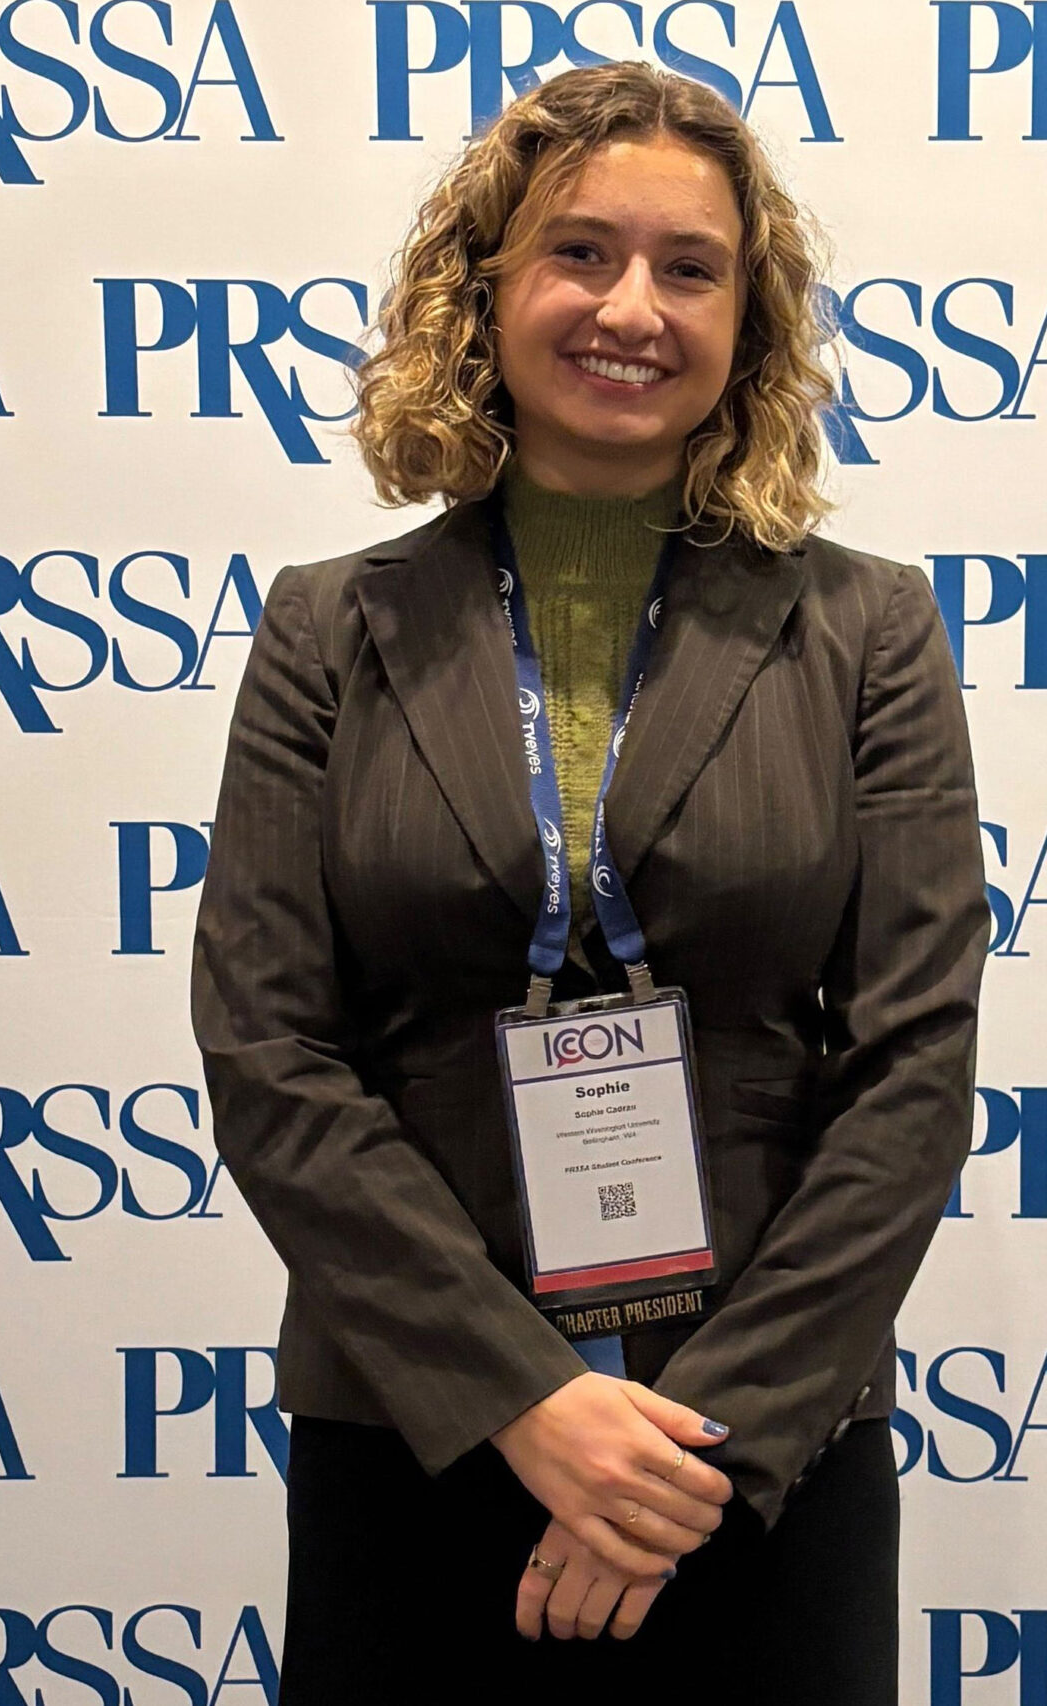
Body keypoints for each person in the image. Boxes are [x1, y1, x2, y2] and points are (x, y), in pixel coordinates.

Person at [190, 60, 989, 1706]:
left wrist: (696, 1450)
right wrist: (529, 1404)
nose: (634, 305)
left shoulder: (869, 633)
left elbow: (913, 1073)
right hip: (417, 1419)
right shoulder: (328, 631)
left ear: (747, 325)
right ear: (483, 290)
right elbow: (273, 1052)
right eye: (582, 253)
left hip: (757, 1451)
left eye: (691, 268)